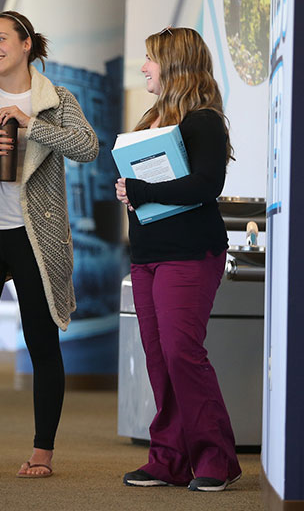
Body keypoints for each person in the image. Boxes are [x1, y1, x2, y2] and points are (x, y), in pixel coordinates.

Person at [0, 10, 98, 478]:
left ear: (27, 44)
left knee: (42, 342)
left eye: (1, 38)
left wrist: (32, 125)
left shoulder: (55, 98)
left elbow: (87, 147)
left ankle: (42, 451)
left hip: (35, 236)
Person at [115, 27, 241, 492]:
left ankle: (216, 458)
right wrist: (130, 193)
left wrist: (142, 190)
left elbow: (208, 185)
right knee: (159, 359)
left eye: (150, 58)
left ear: (175, 65)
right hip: (147, 254)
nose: (144, 67)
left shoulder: (203, 120)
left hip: (189, 253)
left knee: (181, 354)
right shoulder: (152, 119)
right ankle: (167, 458)